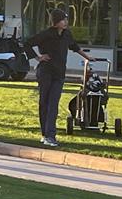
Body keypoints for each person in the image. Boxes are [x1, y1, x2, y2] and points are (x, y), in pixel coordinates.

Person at [23, 8, 96, 147]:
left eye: (66, 19)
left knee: (53, 104)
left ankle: (50, 136)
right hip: (45, 72)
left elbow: (74, 47)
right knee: (44, 103)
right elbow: (27, 44)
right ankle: (45, 135)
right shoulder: (46, 34)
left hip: (59, 74)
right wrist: (38, 57)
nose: (66, 22)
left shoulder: (67, 34)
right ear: (56, 22)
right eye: (63, 19)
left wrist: (87, 57)